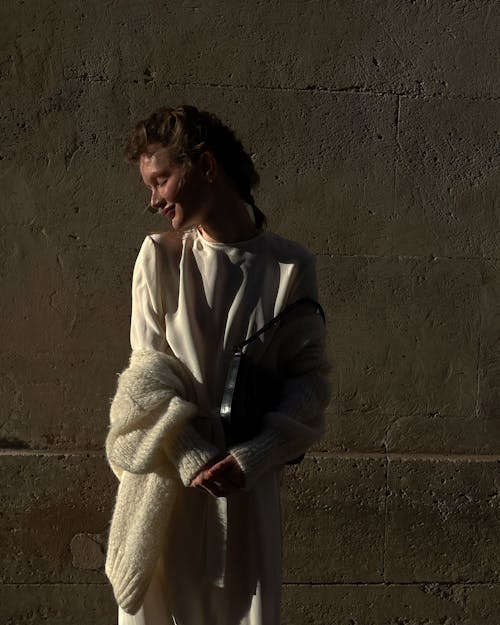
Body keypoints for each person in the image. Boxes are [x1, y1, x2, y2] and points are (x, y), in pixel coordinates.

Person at [106, 104, 331, 625]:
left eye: (161, 180)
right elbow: (144, 381)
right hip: (168, 493)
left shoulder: (290, 267)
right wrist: (191, 457)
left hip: (245, 493)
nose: (153, 200)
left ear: (206, 167)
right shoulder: (160, 258)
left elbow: (309, 383)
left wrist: (255, 456)